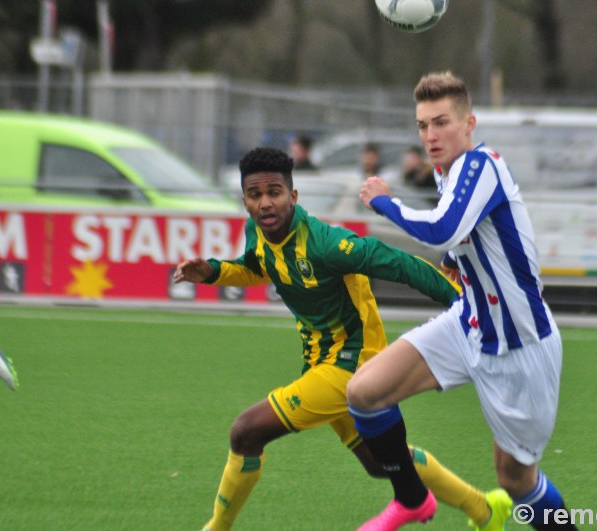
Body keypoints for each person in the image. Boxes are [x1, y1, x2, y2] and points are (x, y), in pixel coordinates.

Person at [174, 147, 512, 531]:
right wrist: (214, 272)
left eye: (275, 192)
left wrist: (465, 303)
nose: (266, 203)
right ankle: (485, 508)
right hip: (321, 362)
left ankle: (215, 527)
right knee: (382, 460)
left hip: (353, 364)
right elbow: (257, 267)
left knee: (247, 431)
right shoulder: (259, 232)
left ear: (293, 196)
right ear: (245, 201)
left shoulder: (326, 244)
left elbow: (398, 263)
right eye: (255, 195)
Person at [348, 71, 577, 530]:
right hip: (467, 326)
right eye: (422, 125)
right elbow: (461, 236)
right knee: (363, 393)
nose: (431, 135)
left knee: (514, 479)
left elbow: (443, 227)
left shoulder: (482, 164)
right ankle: (412, 499)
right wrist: (458, 258)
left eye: (441, 122)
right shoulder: (446, 171)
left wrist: (384, 203)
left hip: (520, 349)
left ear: (469, 123)